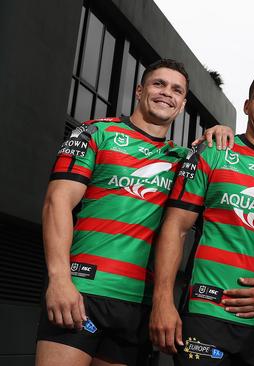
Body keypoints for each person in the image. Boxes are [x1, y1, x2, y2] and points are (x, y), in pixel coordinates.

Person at [35, 59, 234, 366]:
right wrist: (59, 279)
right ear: (140, 90)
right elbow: (56, 202)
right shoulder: (97, 132)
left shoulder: (186, 161)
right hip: (82, 291)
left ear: (182, 105)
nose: (167, 93)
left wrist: (219, 130)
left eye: (176, 90)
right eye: (159, 84)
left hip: (139, 307)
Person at [149, 69, 254, 366]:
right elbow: (175, 227)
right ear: (247, 106)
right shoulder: (214, 152)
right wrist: (163, 301)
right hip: (205, 315)